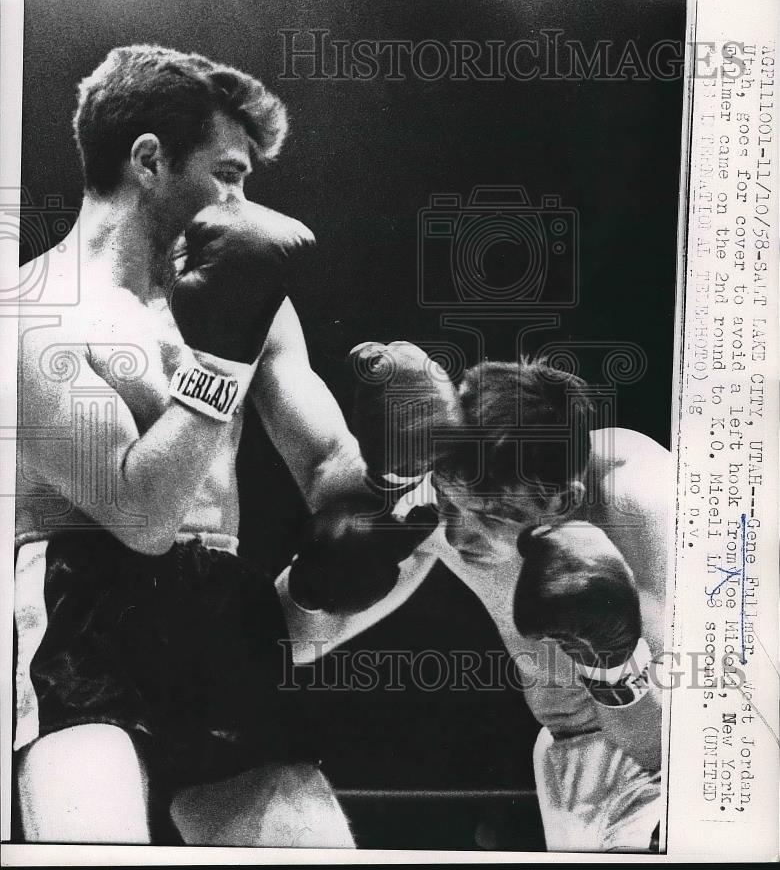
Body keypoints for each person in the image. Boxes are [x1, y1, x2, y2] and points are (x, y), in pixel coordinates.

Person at [14, 45, 367, 845]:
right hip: (82, 612)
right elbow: (139, 515)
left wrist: (391, 486)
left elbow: (328, 464)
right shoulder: (37, 316)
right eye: (231, 173)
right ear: (148, 160)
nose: (245, 202)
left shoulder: (251, 304)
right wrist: (222, 358)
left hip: (222, 604)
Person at [277, 341, 672, 853]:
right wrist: (318, 586)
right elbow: (290, 639)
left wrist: (614, 659)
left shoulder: (632, 494)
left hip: (663, 765)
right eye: (451, 503)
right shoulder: (434, 506)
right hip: (561, 762)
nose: (460, 537)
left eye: (492, 515)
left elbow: (678, 743)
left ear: (564, 500)